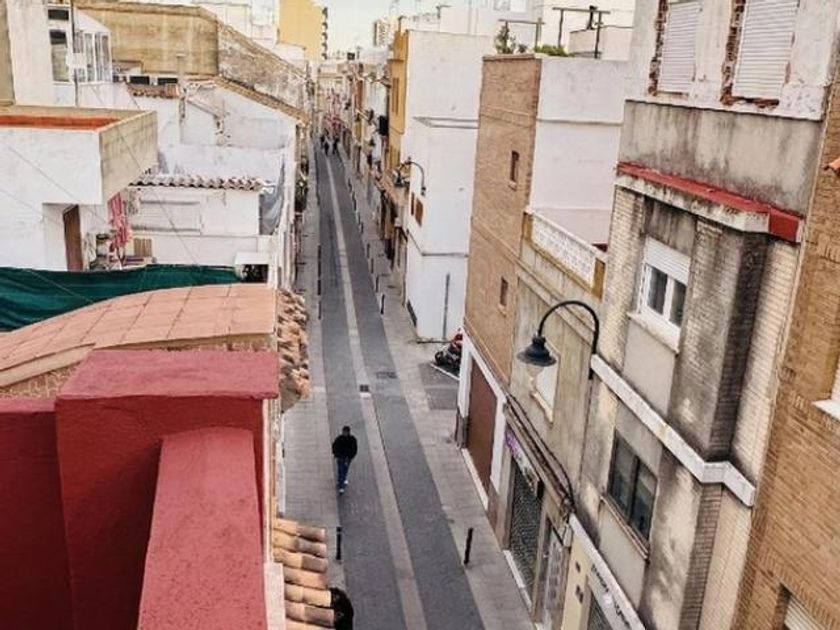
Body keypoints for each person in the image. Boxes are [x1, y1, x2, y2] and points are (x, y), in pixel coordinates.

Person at [331, 426, 357, 494]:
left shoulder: (352, 439)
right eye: (343, 432)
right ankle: (341, 486)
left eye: (345, 432)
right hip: (341, 458)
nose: (344, 433)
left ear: (348, 432)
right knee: (341, 470)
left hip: (347, 458)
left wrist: (351, 457)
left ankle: (343, 479)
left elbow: (354, 449)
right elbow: (334, 446)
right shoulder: (340, 438)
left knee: (345, 469)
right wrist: (336, 454)